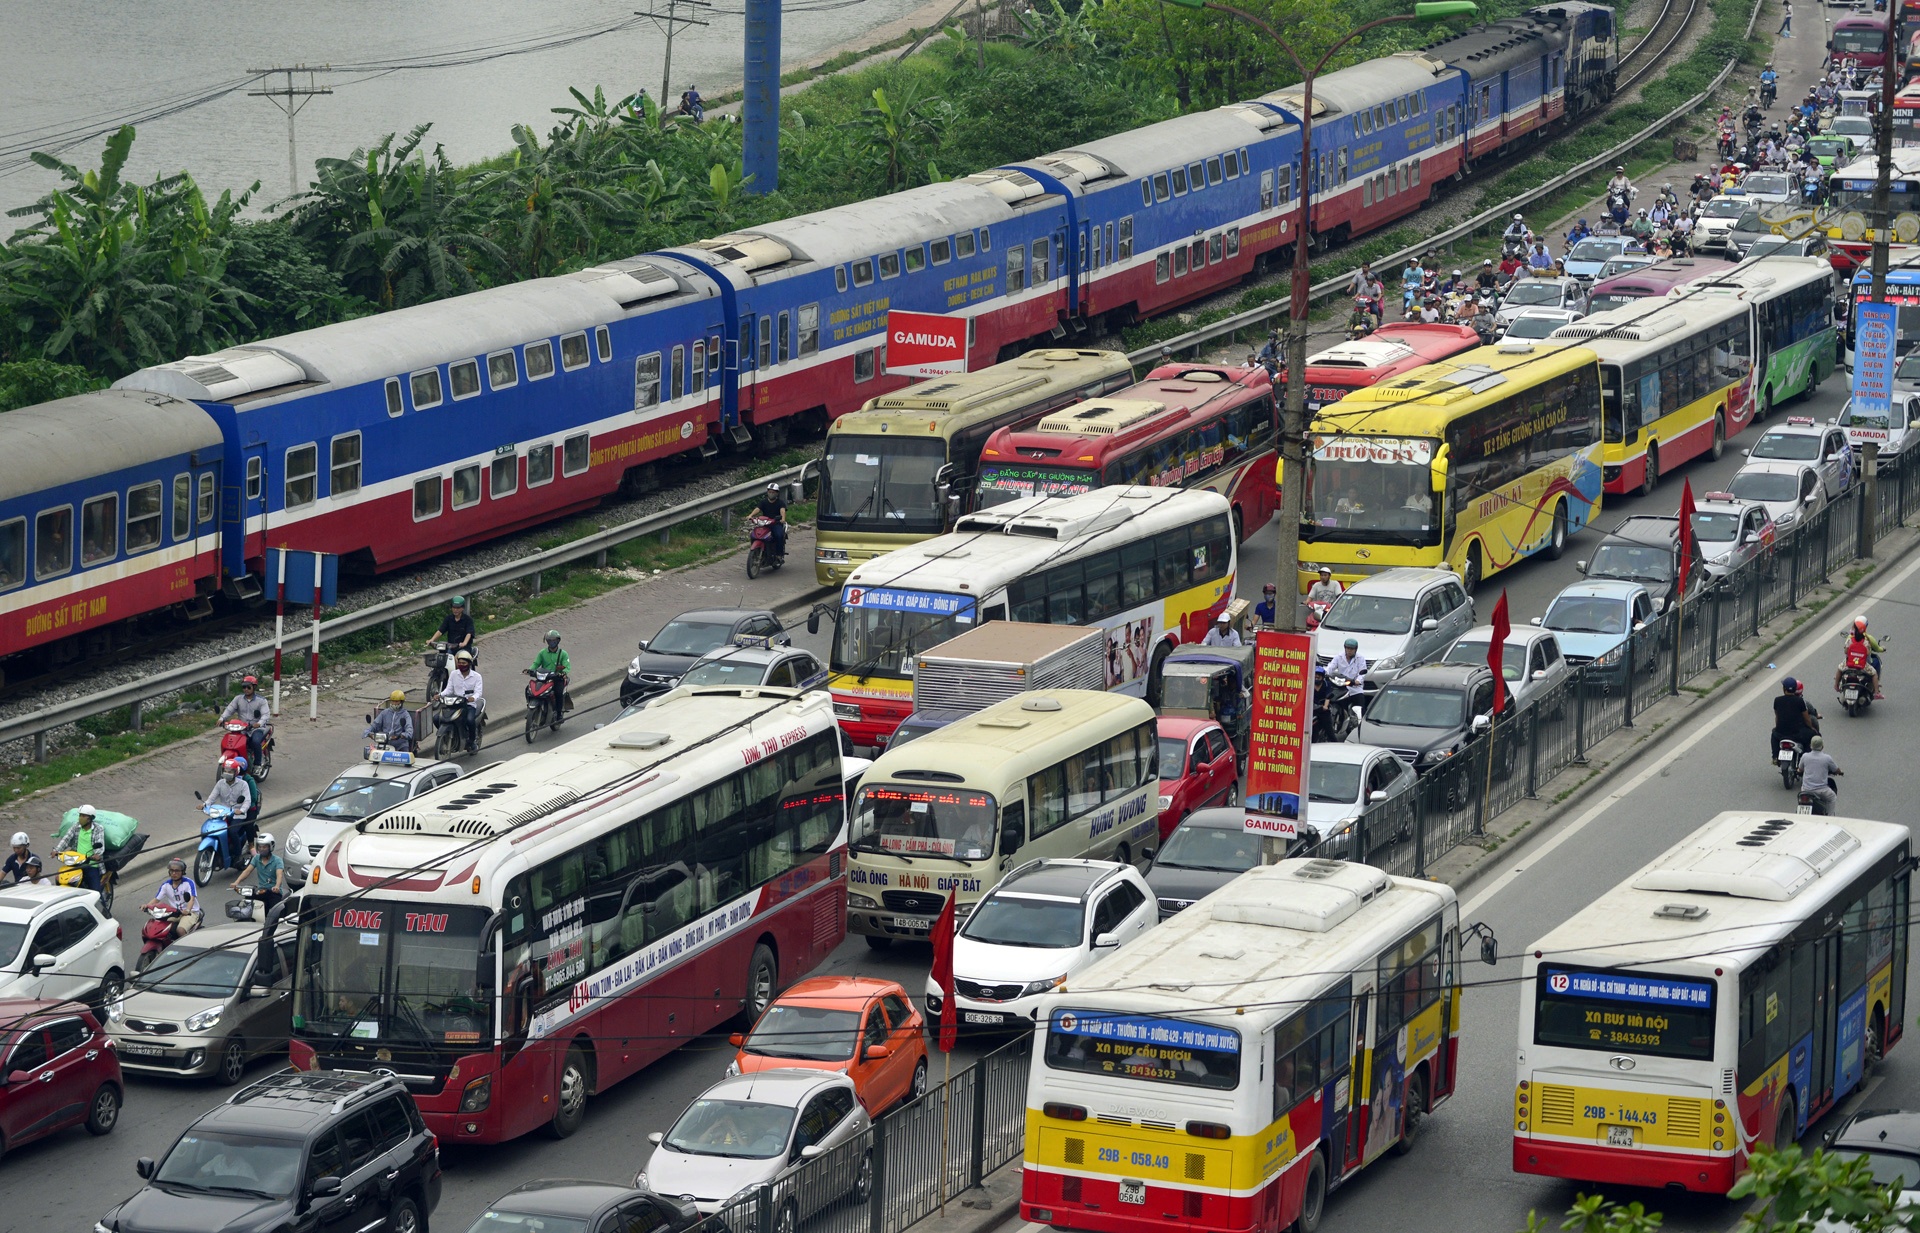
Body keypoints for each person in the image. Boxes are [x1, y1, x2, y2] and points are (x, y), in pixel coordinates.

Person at [206, 762, 254, 865]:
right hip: (223, 814)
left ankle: (237, 855)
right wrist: (205, 805)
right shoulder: (220, 783)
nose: (227, 773)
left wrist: (241, 810)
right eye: (226, 771)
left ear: (236, 772)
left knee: (232, 831)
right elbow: (212, 797)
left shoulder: (243, 784)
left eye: (230, 771)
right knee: (213, 829)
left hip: (238, 815)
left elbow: (247, 801)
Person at [218, 674, 271, 765]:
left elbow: (266, 715)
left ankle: (257, 765)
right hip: (241, 728)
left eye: (248, 687)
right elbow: (230, 709)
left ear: (254, 687)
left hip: (256, 729)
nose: (246, 689)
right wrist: (222, 718)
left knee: (255, 741)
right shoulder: (238, 699)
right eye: (244, 687)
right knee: (232, 741)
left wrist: (258, 723)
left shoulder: (261, 701)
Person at [230, 833, 286, 917]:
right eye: (260, 847)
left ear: (270, 847)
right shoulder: (256, 858)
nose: (262, 849)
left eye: (264, 847)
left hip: (273, 892)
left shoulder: (277, 860)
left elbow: (279, 875)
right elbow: (247, 871)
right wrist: (236, 882)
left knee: (275, 913)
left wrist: (277, 886)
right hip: (261, 891)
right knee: (248, 905)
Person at [442, 650, 485, 753]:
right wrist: (439, 695)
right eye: (460, 663)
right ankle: (447, 736)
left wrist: (473, 698)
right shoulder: (453, 674)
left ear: (469, 664)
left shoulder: (477, 677)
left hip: (469, 705)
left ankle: (472, 741)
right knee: (437, 718)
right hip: (455, 703)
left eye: (464, 663)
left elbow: (478, 692)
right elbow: (449, 689)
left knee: (470, 720)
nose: (461, 665)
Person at [1769, 676, 1820, 762]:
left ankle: (1775, 756)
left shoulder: (1777, 700)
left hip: (1781, 732)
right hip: (1797, 733)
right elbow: (1807, 718)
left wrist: (1778, 728)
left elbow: (1777, 716)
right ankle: (1807, 759)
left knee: (1774, 735)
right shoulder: (1800, 701)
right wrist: (1811, 728)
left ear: (1784, 688)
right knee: (1814, 735)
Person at [1837, 615, 1887, 698]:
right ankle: (1876, 692)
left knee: (1839, 669)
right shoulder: (1867, 640)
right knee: (1874, 674)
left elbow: (1845, 651)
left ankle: (1836, 685)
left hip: (1849, 663)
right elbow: (1870, 652)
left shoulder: (1849, 639)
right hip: (1862, 665)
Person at [149, 858, 202, 935]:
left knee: (180, 930)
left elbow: (191, 899)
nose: (174, 873)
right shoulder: (166, 885)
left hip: (190, 913)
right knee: (161, 927)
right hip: (175, 913)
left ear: (182, 872)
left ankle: (186, 946)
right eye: (172, 871)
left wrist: (187, 910)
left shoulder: (188, 883)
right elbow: (156, 899)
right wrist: (147, 906)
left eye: (177, 871)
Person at [530, 629, 572, 714]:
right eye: (549, 640)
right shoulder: (542, 653)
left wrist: (563, 673)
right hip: (544, 677)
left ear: (558, 641)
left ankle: (559, 713)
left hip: (557, 678)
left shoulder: (563, 653)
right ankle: (530, 707)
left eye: (554, 640)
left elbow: (567, 666)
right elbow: (536, 663)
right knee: (530, 690)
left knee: (558, 693)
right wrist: (530, 670)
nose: (552, 642)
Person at [1799, 736, 1839, 811]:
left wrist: (1799, 771)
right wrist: (1840, 772)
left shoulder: (1805, 756)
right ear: (1822, 746)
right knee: (1832, 797)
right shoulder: (1827, 758)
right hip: (1821, 791)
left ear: (1810, 746)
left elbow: (1800, 769)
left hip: (1805, 789)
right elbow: (1836, 769)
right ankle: (1830, 818)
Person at [435, 596, 477, 662]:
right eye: (454, 608)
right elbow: (440, 631)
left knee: (459, 660)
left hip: (463, 648)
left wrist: (464, 643)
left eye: (458, 608)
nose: (455, 610)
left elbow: (469, 633)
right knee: (442, 660)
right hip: (451, 647)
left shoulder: (468, 620)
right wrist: (431, 640)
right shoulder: (448, 619)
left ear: (462, 608)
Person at [754, 481, 788, 562]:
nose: (771, 493)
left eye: (773, 492)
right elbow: (757, 509)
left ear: (777, 493)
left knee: (779, 535)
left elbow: (782, 511)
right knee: (755, 534)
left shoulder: (780, 502)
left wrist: (782, 519)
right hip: (765, 523)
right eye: (769, 492)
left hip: (776, 523)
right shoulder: (763, 502)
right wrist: (750, 516)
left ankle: (779, 554)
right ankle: (756, 551)